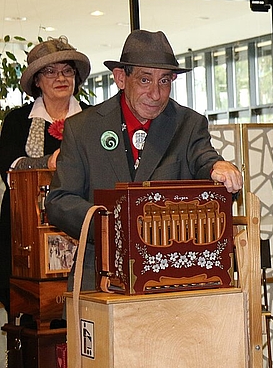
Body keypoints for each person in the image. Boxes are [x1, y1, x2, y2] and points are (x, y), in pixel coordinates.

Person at [45, 29, 242, 292]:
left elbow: (203, 158)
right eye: (145, 80)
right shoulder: (83, 129)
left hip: (171, 282)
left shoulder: (188, 124)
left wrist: (219, 167)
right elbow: (59, 202)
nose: (156, 94)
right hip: (99, 278)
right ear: (120, 78)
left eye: (164, 81)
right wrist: (111, 227)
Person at [0, 36, 91, 314]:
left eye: (67, 70)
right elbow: (9, 167)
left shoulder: (93, 118)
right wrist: (46, 161)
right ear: (36, 81)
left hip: (80, 226)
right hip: (23, 230)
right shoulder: (17, 120)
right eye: (50, 72)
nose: (60, 77)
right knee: (27, 315)